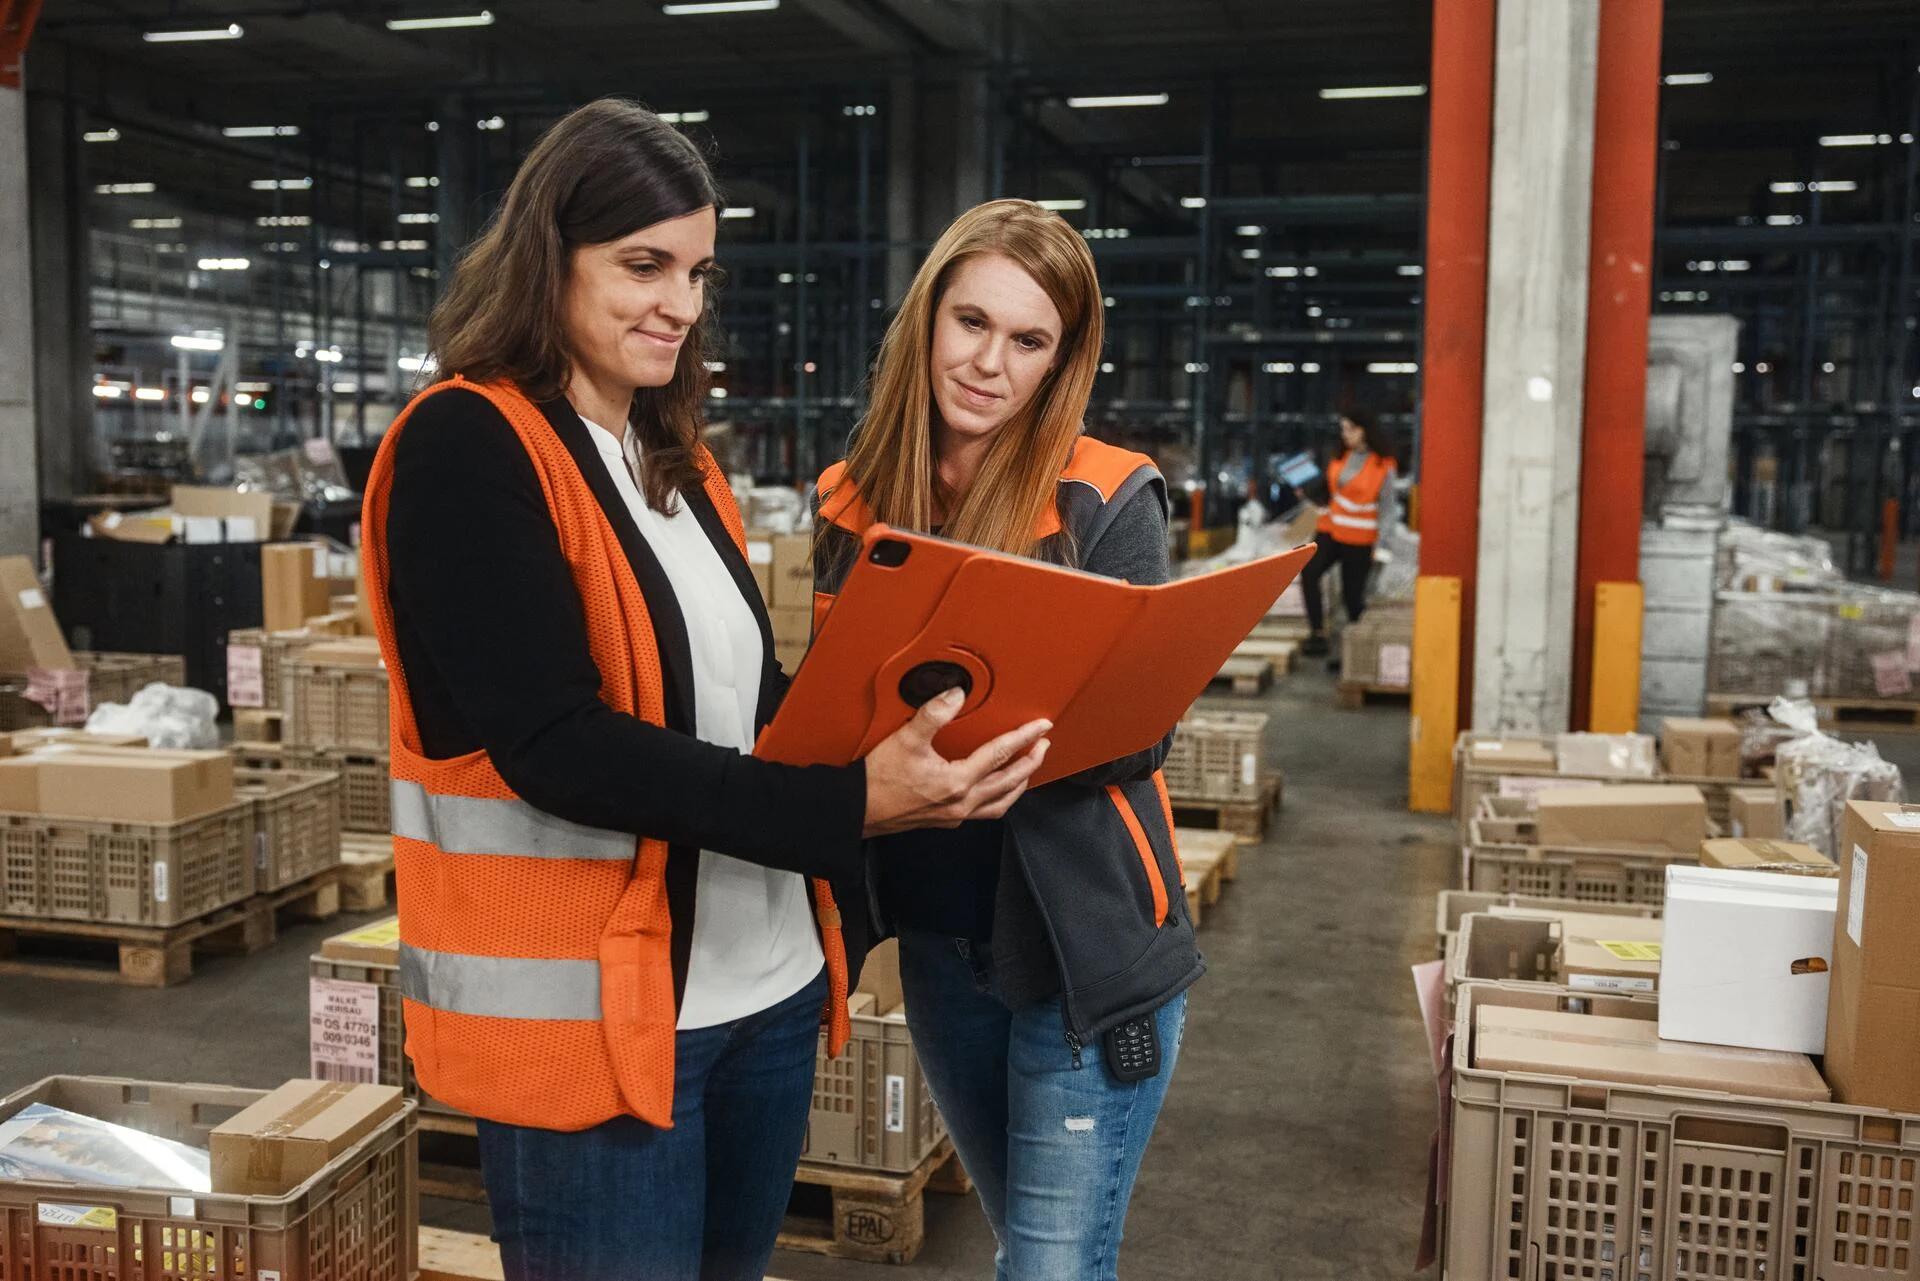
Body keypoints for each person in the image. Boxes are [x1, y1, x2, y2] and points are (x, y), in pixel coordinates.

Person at [360, 100, 1052, 1281]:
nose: (679, 304)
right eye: (643, 265)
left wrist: (912, 724)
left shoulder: (677, 464)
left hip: (765, 995)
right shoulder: (467, 445)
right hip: (597, 1030)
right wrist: (850, 803)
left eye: (696, 271)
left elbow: (748, 702)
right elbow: (557, 745)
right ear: (549, 257)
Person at [812, 199, 1195, 1281]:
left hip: (1082, 956)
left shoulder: (1105, 498)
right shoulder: (851, 502)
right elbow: (839, 714)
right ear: (928, 317)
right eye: (970, 322)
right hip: (942, 946)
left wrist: (990, 733)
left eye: (1028, 341)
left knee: (1051, 1270)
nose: (988, 363)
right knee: (1028, 1248)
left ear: (1062, 361)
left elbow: (1138, 737)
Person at [1298, 408, 1398, 659]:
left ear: (1365, 431)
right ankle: (1318, 634)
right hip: (1330, 530)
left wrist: (1383, 547)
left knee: (1352, 597)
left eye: (1350, 429)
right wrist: (1311, 493)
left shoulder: (1382, 465)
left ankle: (1352, 653)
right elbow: (1332, 489)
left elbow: (1388, 508)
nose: (1345, 435)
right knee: (1309, 573)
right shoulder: (1339, 455)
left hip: (1359, 539)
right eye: (1343, 429)